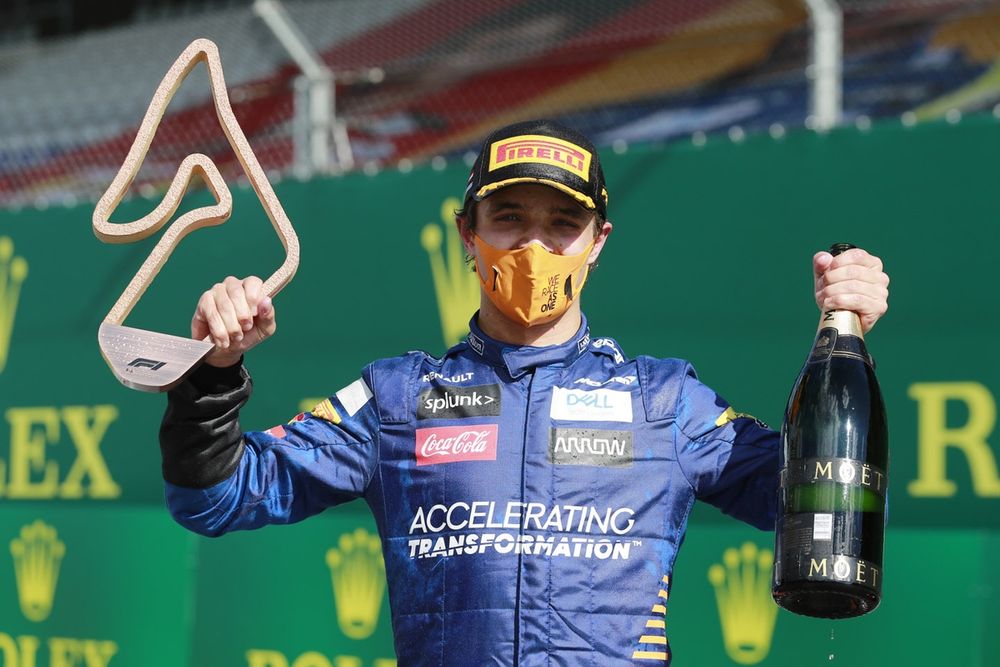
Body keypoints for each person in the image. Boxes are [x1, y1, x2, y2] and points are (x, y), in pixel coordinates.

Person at [160, 119, 889, 665]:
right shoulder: (396, 398)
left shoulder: (666, 402)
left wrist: (847, 327)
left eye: (563, 223)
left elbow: (818, 496)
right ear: (466, 232)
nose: (534, 246)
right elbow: (213, 498)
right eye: (508, 217)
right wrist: (213, 370)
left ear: (598, 241)